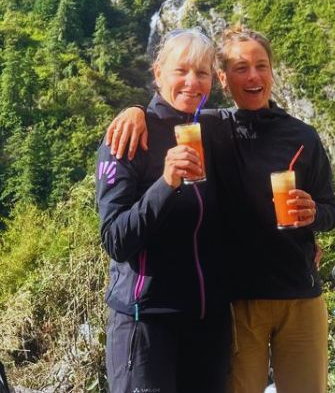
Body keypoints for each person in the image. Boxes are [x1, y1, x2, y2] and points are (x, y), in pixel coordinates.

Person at [106, 25, 335, 393]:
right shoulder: (204, 129)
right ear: (224, 80)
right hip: (222, 303)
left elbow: (330, 210)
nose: (253, 76)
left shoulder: (296, 135)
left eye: (261, 66)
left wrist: (315, 216)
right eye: (240, 68)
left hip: (272, 298)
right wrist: (136, 111)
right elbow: (117, 237)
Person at [95, 29, 232, 393]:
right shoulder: (128, 137)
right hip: (147, 324)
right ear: (158, 74)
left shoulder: (214, 129)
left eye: (202, 73)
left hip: (209, 324)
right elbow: (115, 240)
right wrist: (166, 183)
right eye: (181, 71)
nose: (192, 82)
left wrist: (302, 240)